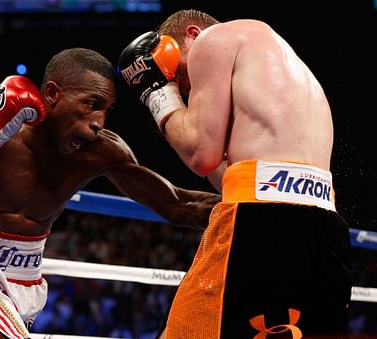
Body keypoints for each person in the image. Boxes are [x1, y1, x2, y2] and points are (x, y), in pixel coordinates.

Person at [0, 47, 221, 339]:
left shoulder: (100, 152)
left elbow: (178, 205)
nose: (98, 121)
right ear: (52, 94)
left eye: (107, 110)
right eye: (91, 105)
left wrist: (248, 204)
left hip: (24, 280)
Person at [118, 9, 353, 339]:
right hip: (324, 230)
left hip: (262, 227)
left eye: (178, 74)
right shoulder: (287, 71)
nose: (183, 86)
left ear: (192, 34)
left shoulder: (212, 41)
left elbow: (200, 155)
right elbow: (226, 172)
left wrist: (158, 93)